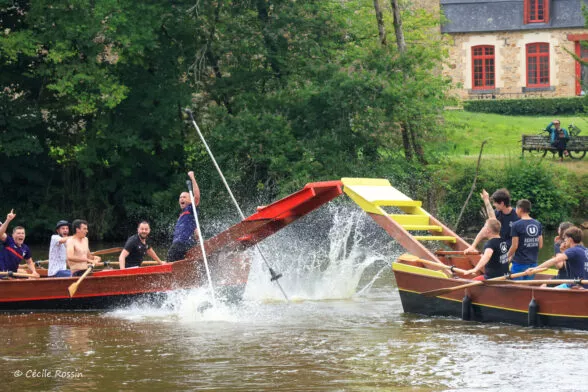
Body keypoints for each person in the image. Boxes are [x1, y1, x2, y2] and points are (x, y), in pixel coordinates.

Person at [464, 188, 519, 254]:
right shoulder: (497, 212)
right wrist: (486, 200)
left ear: (502, 203)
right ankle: (473, 247)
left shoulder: (517, 215)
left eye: (495, 203)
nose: (493, 205)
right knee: (486, 228)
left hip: (512, 246)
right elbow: (491, 220)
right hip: (499, 243)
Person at [168, 171, 200, 262]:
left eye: (184, 197)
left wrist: (192, 178)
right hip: (179, 244)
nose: (181, 199)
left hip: (182, 244)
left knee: (170, 259)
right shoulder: (182, 215)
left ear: (191, 200)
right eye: (180, 197)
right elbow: (195, 230)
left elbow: (197, 196)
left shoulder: (191, 208)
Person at [507, 199, 543, 280]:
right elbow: (540, 245)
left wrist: (506, 257)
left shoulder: (516, 225)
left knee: (517, 288)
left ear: (519, 209)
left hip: (519, 263)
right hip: (533, 263)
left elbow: (514, 246)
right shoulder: (538, 224)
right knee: (527, 287)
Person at [0, 210, 40, 278]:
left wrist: (34, 272)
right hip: (3, 273)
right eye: (18, 233)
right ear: (13, 235)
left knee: (30, 277)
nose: (21, 235)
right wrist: (8, 220)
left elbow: (29, 262)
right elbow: (0, 234)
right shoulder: (8, 240)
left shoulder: (25, 248)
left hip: (13, 273)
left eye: (22, 233)